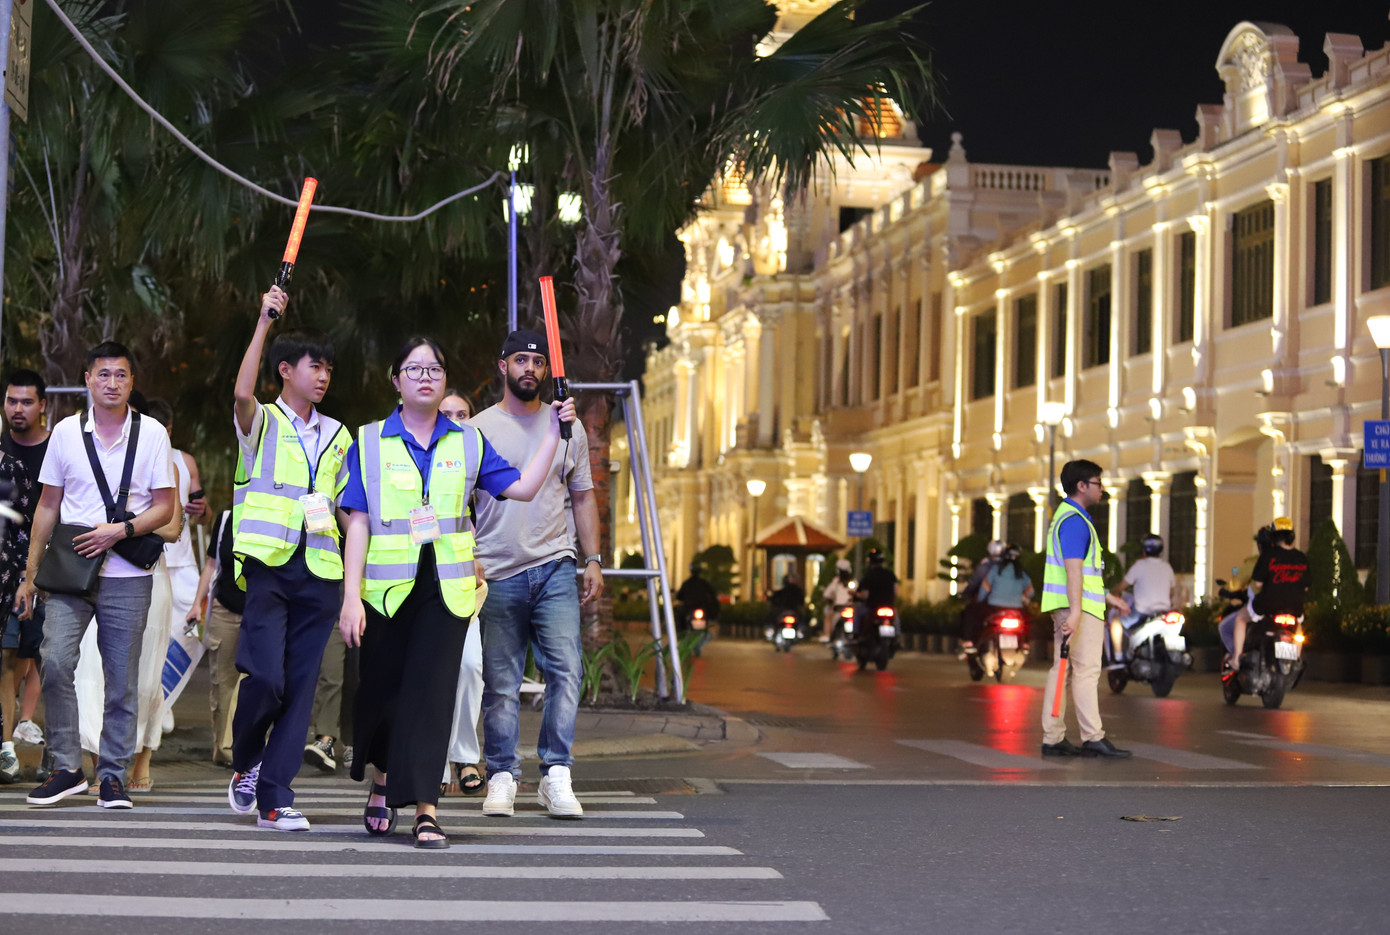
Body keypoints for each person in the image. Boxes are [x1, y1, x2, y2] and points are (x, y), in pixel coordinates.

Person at [339, 337, 573, 848]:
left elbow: (524, 488)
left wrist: (556, 433)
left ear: (445, 379)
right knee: (380, 694)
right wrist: (350, 596)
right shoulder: (371, 439)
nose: (426, 376)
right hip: (384, 592)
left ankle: (426, 807)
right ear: (396, 379)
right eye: (414, 368)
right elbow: (357, 521)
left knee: (434, 695)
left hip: (446, 591)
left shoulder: (467, 440)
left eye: (435, 368)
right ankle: (381, 777)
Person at [17, 342, 176, 807]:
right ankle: (67, 767)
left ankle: (112, 775)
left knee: (121, 679)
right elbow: (48, 505)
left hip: (127, 575)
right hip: (70, 573)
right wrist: (30, 575)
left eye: (121, 376)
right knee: (57, 662)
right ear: (87, 378)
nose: (112, 383)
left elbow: (165, 506)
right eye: (103, 375)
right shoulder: (66, 433)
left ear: (132, 382)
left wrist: (119, 530)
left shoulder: (151, 435)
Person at [229, 285, 353, 832]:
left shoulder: (340, 434)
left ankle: (275, 796)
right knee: (266, 678)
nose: (324, 377)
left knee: (301, 689)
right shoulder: (262, 421)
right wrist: (263, 321)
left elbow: (349, 508)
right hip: (268, 569)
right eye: (314, 367)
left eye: (328, 369)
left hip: (322, 571)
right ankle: (248, 762)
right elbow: (240, 392)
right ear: (285, 370)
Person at [475, 329, 603, 821]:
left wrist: (592, 558)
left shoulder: (567, 427)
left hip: (555, 565)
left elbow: (583, 496)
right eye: (520, 359)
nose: (530, 368)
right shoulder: (479, 428)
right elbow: (461, 500)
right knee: (501, 682)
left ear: (548, 371)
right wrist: (470, 555)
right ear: (502, 367)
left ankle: (555, 775)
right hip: (498, 569)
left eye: (538, 361)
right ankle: (503, 775)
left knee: (566, 670)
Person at [1038, 460, 1130, 759]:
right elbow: (1073, 569)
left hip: (1071, 606)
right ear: (1081, 486)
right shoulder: (1076, 521)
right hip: (1078, 609)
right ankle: (1093, 737)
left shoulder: (1068, 517)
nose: (1101, 488)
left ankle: (1053, 737)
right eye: (1097, 482)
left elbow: (1082, 573)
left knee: (1062, 670)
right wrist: (1077, 612)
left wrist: (1107, 597)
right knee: (1086, 672)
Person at [1, 370, 50, 765]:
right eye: (11, 401)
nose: (18, 409)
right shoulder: (2, 450)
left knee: (34, 651)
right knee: (10, 654)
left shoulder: (55, 449)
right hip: (14, 567)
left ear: (43, 405)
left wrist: (27, 576)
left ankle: (24, 723)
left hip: (40, 567)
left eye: (26, 401)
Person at [439, 388, 486, 797]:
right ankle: (436, 759)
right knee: (433, 672)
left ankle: (465, 753)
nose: (455, 421)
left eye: (462, 414)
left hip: (468, 592)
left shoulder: (479, 467)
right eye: (446, 413)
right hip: (423, 586)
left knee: (470, 667)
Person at [187, 508, 243, 767]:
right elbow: (212, 565)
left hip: (263, 613)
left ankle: (249, 745)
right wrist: (197, 603)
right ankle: (224, 748)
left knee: (257, 683)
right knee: (222, 684)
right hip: (224, 609)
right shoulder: (225, 519)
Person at [1222, 517, 1309, 670]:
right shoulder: (1301, 557)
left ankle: (1236, 658)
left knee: (1241, 619)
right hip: (1294, 606)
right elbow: (1306, 586)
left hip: (1268, 605)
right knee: (1299, 627)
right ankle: (1295, 659)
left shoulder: (1268, 556)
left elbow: (1258, 583)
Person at [1107, 533, 1176, 667]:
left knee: (1116, 620)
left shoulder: (1139, 566)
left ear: (1144, 549)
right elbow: (1171, 592)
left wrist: (1111, 592)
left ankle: (1118, 657)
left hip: (1142, 612)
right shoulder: (1167, 567)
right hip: (1163, 612)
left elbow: (1122, 586)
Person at [959, 539, 1005, 649]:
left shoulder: (986, 566)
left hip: (990, 603)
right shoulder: (1011, 566)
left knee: (971, 613)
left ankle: (969, 640)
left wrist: (965, 594)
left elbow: (976, 584)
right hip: (1014, 604)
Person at [979, 543, 1034, 610]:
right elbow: (1031, 591)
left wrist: (979, 601)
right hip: (1016, 608)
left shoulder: (996, 569)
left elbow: (985, 588)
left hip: (995, 606)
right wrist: (1022, 597)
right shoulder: (1021, 573)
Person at [821, 559, 853, 641]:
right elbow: (827, 594)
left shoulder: (853, 583)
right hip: (839, 608)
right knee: (829, 615)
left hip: (850, 608)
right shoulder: (835, 583)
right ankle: (828, 634)